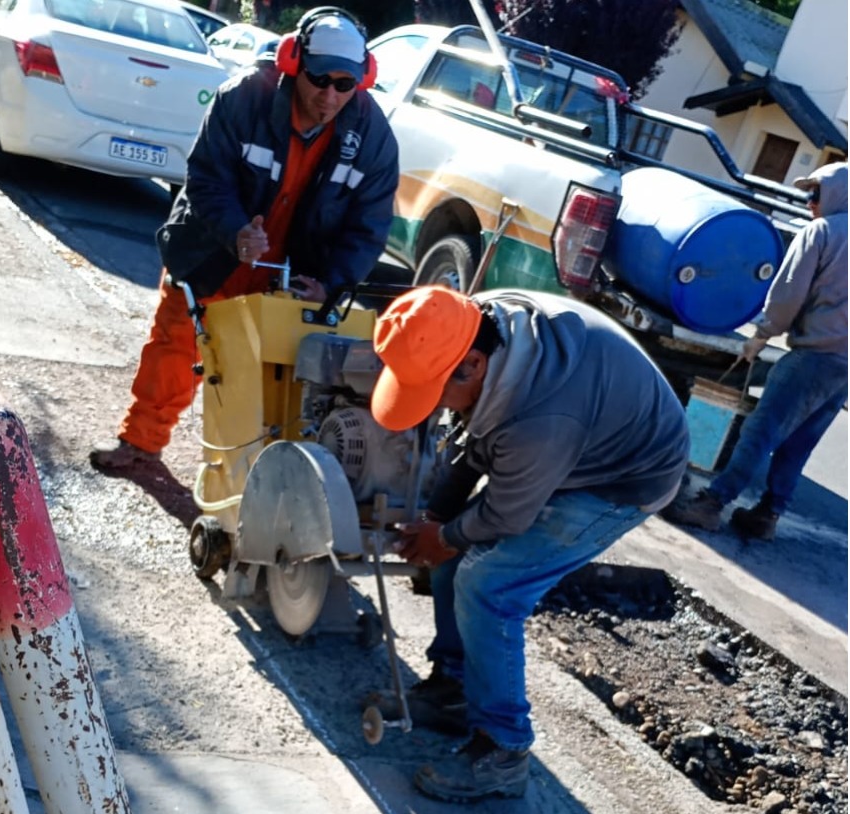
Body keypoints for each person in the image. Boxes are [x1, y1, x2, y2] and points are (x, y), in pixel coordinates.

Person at [366, 286, 690, 803]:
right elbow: (467, 445)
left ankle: (502, 752)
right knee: (455, 557)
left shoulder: (538, 419)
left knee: (489, 583)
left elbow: (506, 514)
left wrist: (445, 535)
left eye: (433, 390)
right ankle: (454, 691)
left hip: (625, 477)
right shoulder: (474, 324)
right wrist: (437, 519)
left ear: (471, 366)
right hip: (581, 433)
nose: (431, 406)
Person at [90, 7, 399, 468]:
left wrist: (331, 283)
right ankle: (140, 443)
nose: (330, 95)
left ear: (362, 80)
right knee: (175, 345)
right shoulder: (242, 97)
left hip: (290, 275)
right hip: (211, 248)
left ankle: (243, 473)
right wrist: (236, 231)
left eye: (344, 84)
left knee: (265, 378)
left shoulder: (373, 138)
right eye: (320, 80)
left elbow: (369, 227)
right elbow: (205, 177)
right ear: (294, 64)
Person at [661, 162, 848, 541]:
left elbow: (788, 292)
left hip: (812, 356)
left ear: (836, 194)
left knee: (760, 431)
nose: (809, 201)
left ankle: (711, 503)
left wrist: (761, 335)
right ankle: (767, 515)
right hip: (843, 368)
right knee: (798, 444)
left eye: (815, 193)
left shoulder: (822, 232)